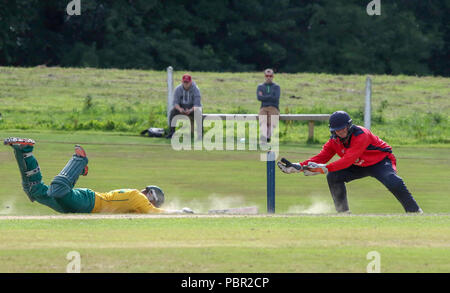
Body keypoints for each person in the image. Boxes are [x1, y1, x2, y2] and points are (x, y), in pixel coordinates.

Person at [277, 111, 422, 214]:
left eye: (342, 129)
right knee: (333, 176)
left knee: (393, 181)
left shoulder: (362, 135)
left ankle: (415, 212)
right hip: (359, 165)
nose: (340, 132)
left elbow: (348, 160)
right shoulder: (334, 140)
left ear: (349, 126)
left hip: (379, 161)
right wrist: (299, 166)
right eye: (336, 130)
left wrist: (324, 168)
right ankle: (343, 212)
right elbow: (322, 157)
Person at [4, 137, 194, 214]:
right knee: (58, 188)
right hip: (89, 201)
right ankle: (79, 162)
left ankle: (24, 151)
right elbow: (155, 214)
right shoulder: (137, 197)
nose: (146, 192)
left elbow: (148, 213)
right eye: (148, 192)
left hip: (80, 209)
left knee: (36, 191)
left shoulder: (137, 208)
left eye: (149, 193)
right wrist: (180, 213)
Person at [166, 74, 203, 139]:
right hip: (181, 109)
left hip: (192, 109)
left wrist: (190, 110)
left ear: (191, 82)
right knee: (173, 112)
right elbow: (175, 103)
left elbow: (197, 105)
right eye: (184, 82)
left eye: (187, 82)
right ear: (182, 82)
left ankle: (200, 135)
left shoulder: (196, 89)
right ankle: (171, 133)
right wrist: (180, 109)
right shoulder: (177, 89)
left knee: (199, 112)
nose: (186, 84)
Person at [257, 68, 280, 143]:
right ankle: (264, 137)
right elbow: (259, 98)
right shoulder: (260, 86)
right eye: (267, 76)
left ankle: (268, 138)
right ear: (264, 76)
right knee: (263, 122)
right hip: (263, 108)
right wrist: (270, 96)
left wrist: (265, 96)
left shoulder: (276, 87)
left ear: (273, 76)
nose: (268, 77)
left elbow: (276, 98)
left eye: (270, 76)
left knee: (271, 124)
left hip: (274, 108)